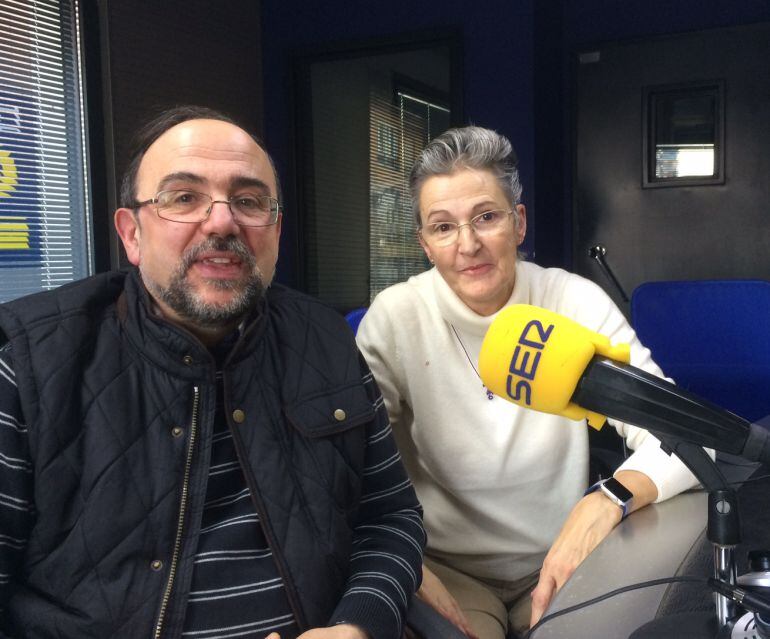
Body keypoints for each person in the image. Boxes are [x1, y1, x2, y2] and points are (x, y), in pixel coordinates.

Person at [0, 106, 425, 639]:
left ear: (275, 231)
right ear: (131, 234)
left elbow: (390, 520)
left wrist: (357, 626)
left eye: (248, 201)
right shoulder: (28, 362)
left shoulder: (327, 339)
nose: (222, 221)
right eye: (183, 198)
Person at [355, 126, 705, 639]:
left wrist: (606, 500)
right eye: (443, 227)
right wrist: (398, 563)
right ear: (424, 244)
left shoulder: (573, 301)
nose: (468, 244)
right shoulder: (394, 317)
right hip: (449, 569)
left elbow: (690, 440)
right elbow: (345, 468)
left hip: (562, 555)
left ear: (518, 223)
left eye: (487, 217)